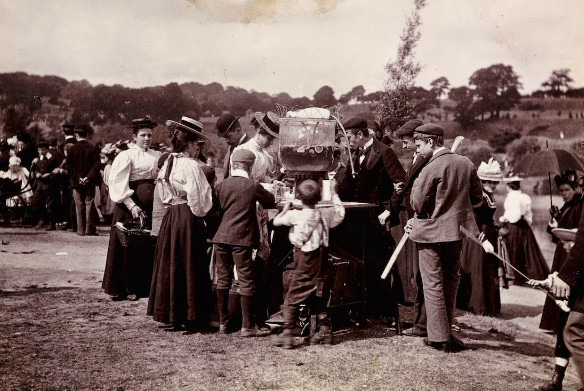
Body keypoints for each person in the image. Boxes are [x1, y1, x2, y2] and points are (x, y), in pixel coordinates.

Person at [407, 123, 483, 352]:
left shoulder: (429, 166)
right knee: (450, 282)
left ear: (431, 142)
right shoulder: (466, 163)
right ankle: (446, 332)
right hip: (455, 234)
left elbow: (417, 203)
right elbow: (478, 198)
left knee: (432, 284)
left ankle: (439, 338)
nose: (417, 150)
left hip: (429, 234)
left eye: (418, 145)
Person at [335, 116, 406, 323]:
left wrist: (389, 210)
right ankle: (362, 309)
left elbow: (400, 184)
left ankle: (384, 311)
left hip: (376, 219)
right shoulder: (354, 153)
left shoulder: (384, 152)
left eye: (349, 137)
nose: (347, 141)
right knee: (359, 264)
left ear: (360, 134)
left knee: (379, 264)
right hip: (357, 219)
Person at [147, 117, 213, 331]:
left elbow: (163, 193)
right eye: (197, 145)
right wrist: (201, 214)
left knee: (172, 262)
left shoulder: (168, 162)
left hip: (172, 215)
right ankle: (191, 315)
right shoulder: (191, 165)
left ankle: (172, 313)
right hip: (186, 216)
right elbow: (200, 198)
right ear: (191, 143)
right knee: (189, 261)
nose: (197, 149)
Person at [271, 179, 345, 349]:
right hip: (322, 262)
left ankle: (287, 334)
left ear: (299, 197)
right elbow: (340, 214)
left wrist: (285, 209)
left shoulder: (296, 215)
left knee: (292, 297)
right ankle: (325, 331)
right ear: (319, 198)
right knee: (317, 296)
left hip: (305, 261)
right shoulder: (325, 214)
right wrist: (334, 193)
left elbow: (276, 222)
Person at [212, 148, 276, 337]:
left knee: (223, 279)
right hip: (242, 239)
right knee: (246, 279)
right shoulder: (252, 185)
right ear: (250, 166)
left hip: (221, 238)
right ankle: (247, 326)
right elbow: (271, 201)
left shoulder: (221, 185)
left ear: (233, 164)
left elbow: (215, 210)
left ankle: (223, 324)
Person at [102, 117, 162, 301]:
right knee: (126, 245)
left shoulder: (156, 155)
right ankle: (121, 287)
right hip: (129, 206)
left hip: (149, 206)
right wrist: (132, 205)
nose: (147, 139)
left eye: (149, 135)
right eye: (143, 135)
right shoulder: (126, 155)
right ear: (134, 137)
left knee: (143, 245)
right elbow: (118, 182)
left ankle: (140, 286)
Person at [534, 172, 583, 391]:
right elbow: (556, 236)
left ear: (576, 189)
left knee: (573, 321)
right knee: (565, 320)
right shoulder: (564, 208)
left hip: (574, 265)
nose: (564, 193)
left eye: (568, 190)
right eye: (561, 190)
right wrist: (553, 222)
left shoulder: (580, 206)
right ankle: (557, 378)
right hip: (564, 260)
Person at [394, 119, 430, 337]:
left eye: (407, 141)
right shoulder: (418, 158)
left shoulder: (427, 160)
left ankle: (423, 324)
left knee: (423, 274)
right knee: (418, 273)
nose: (404, 146)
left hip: (421, 222)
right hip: (413, 221)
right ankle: (420, 321)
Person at [457, 158, 504, 316]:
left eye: (495, 182)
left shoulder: (489, 195)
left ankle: (490, 306)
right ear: (482, 181)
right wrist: (483, 239)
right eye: (488, 181)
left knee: (488, 269)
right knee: (478, 269)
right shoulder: (479, 196)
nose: (492, 185)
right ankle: (477, 306)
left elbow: (488, 217)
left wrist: (495, 225)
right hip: (477, 237)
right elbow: (474, 219)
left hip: (489, 235)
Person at [547, 209, 584, 390]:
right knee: (564, 334)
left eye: (570, 242)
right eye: (564, 242)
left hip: (577, 298)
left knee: (574, 332)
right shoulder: (566, 257)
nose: (566, 246)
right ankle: (557, 379)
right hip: (568, 299)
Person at [499, 174, 550, 286]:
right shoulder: (525, 197)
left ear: (509, 186)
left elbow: (514, 216)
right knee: (526, 251)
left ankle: (514, 278)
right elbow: (528, 215)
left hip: (513, 226)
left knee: (513, 250)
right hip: (524, 226)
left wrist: (504, 218)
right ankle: (525, 277)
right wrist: (526, 222)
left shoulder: (511, 198)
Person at [66, 125, 101, 236]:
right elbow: (96, 166)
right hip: (89, 182)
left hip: (76, 182)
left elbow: (69, 168)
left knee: (78, 205)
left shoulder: (71, 149)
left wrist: (78, 178)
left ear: (76, 135)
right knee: (89, 205)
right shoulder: (93, 148)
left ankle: (80, 230)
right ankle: (89, 229)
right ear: (86, 135)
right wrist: (88, 177)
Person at [29, 139, 60, 230]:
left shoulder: (52, 158)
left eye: (42, 150)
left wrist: (50, 174)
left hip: (50, 185)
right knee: (35, 201)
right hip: (40, 184)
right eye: (39, 150)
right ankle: (42, 219)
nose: (41, 152)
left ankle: (51, 223)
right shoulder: (39, 158)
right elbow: (36, 169)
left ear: (46, 149)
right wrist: (36, 173)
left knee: (50, 205)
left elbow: (56, 171)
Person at [215, 112, 249, 179]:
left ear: (238, 130)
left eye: (228, 137)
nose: (226, 141)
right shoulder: (231, 147)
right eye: (225, 138)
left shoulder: (249, 147)